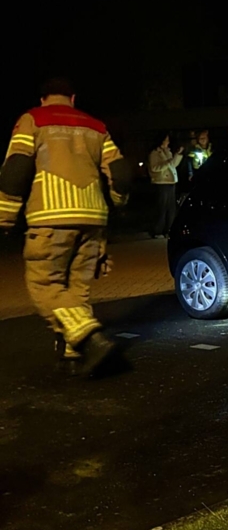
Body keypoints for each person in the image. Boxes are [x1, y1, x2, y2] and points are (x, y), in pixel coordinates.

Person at [0, 77, 132, 374]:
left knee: (45, 286)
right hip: (93, 218)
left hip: (51, 217)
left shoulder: (32, 119)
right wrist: (118, 203)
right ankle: (76, 355)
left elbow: (15, 172)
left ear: (43, 98)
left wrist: (5, 218)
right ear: (72, 98)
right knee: (77, 289)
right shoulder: (96, 126)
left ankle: (88, 338)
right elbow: (121, 173)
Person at [148, 134, 183, 238]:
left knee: (171, 208)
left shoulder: (167, 151)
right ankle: (158, 231)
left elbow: (173, 164)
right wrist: (168, 162)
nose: (168, 142)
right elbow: (155, 167)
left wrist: (178, 155)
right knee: (162, 207)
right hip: (161, 182)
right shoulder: (154, 153)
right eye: (166, 140)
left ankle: (169, 230)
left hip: (171, 182)